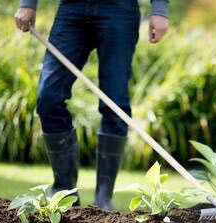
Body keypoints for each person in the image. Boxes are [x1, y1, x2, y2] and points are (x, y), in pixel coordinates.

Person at [14, 0, 169, 209]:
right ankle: (64, 193)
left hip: (119, 10)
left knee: (115, 103)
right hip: (71, 8)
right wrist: (28, 3)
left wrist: (159, 9)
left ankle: (103, 199)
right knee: (48, 96)